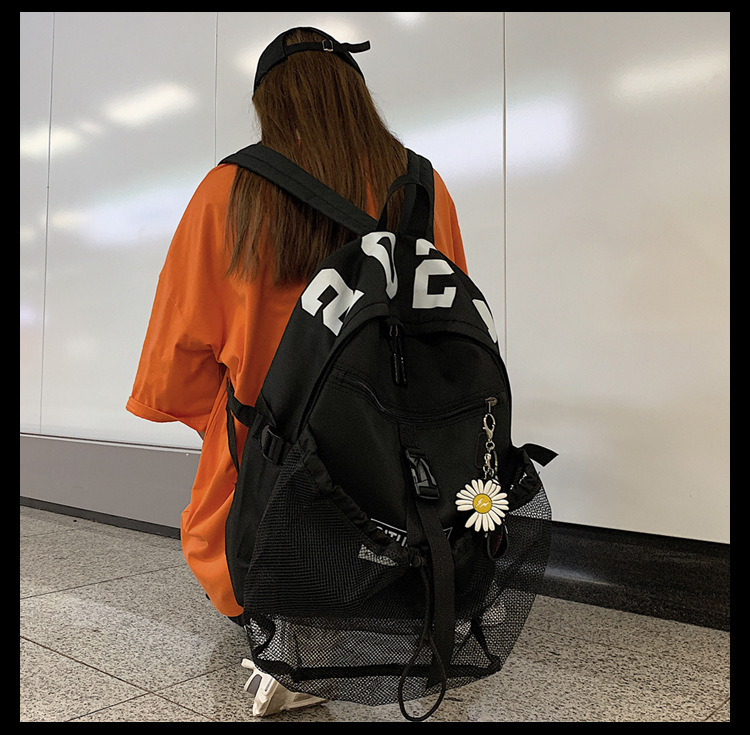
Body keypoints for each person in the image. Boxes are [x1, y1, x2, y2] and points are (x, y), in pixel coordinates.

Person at [126, 25, 468, 714]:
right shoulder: (423, 187)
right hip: (396, 468)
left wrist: (238, 403)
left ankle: (286, 637)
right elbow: (450, 329)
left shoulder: (228, 191)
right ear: (355, 93)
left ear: (269, 104)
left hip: (268, 469)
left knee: (232, 480)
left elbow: (178, 355)